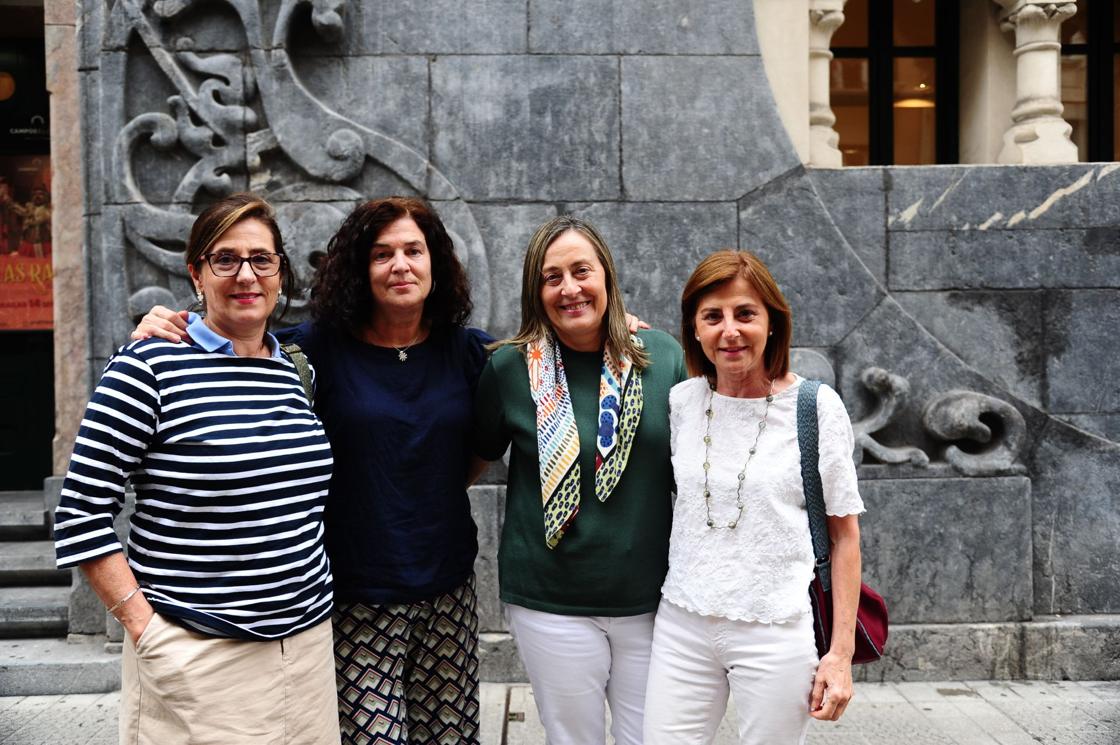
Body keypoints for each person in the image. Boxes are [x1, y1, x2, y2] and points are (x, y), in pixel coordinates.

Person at [131, 196, 489, 745]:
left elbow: (549, 357)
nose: (400, 265)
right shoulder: (307, 352)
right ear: (357, 268)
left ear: (435, 263)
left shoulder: (470, 352)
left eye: (414, 250)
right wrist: (164, 322)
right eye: (381, 253)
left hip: (448, 593)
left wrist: (617, 327)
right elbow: (231, 347)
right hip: (352, 600)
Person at [53, 193, 339, 744]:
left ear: (281, 273)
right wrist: (147, 632)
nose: (245, 275)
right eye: (224, 259)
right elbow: (80, 512)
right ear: (196, 273)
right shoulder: (147, 366)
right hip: (198, 653)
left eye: (261, 259)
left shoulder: (292, 368)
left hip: (305, 654)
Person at [473, 215, 687, 745]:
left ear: (607, 278)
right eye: (552, 277)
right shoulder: (509, 370)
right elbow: (473, 457)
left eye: (581, 271)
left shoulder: (662, 357)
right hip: (551, 600)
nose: (570, 288)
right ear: (536, 291)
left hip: (652, 598)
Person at [642, 250, 865, 745]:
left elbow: (845, 536)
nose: (730, 330)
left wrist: (840, 656)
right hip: (683, 621)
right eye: (712, 317)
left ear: (772, 323)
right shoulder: (683, 401)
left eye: (745, 314)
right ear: (695, 329)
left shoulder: (814, 408)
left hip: (775, 625)